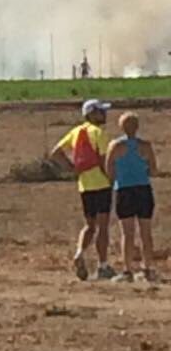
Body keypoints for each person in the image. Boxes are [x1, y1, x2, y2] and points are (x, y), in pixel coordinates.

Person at [51, 99, 115, 281]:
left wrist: (72, 169)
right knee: (103, 227)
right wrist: (111, 178)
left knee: (90, 225)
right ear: (92, 114)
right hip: (101, 184)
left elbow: (56, 152)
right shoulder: (99, 133)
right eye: (101, 111)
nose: (104, 114)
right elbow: (104, 160)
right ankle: (103, 265)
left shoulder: (76, 132)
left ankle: (79, 253)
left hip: (84, 185)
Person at [106, 112, 158, 282]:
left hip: (124, 190)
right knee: (146, 231)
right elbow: (153, 170)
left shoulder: (115, 146)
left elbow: (109, 170)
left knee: (127, 233)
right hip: (143, 189)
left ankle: (127, 270)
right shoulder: (145, 146)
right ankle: (148, 268)